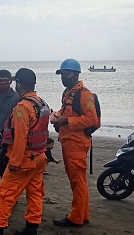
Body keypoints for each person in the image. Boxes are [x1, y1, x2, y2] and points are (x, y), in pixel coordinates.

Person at [0, 68, 50, 235]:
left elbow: (20, 138)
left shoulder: (22, 107)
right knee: (35, 193)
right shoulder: (42, 104)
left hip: (24, 159)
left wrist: (14, 162)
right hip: (39, 157)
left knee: (5, 193)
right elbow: (44, 132)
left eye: (16, 83)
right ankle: (31, 229)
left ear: (19, 84)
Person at [50, 58, 99, 227]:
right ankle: (82, 214)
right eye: (62, 74)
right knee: (77, 181)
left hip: (77, 143)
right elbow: (66, 111)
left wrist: (66, 122)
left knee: (77, 181)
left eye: (67, 74)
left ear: (76, 74)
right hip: (68, 141)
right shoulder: (68, 92)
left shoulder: (84, 94)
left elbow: (91, 119)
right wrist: (56, 116)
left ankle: (76, 217)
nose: (63, 77)